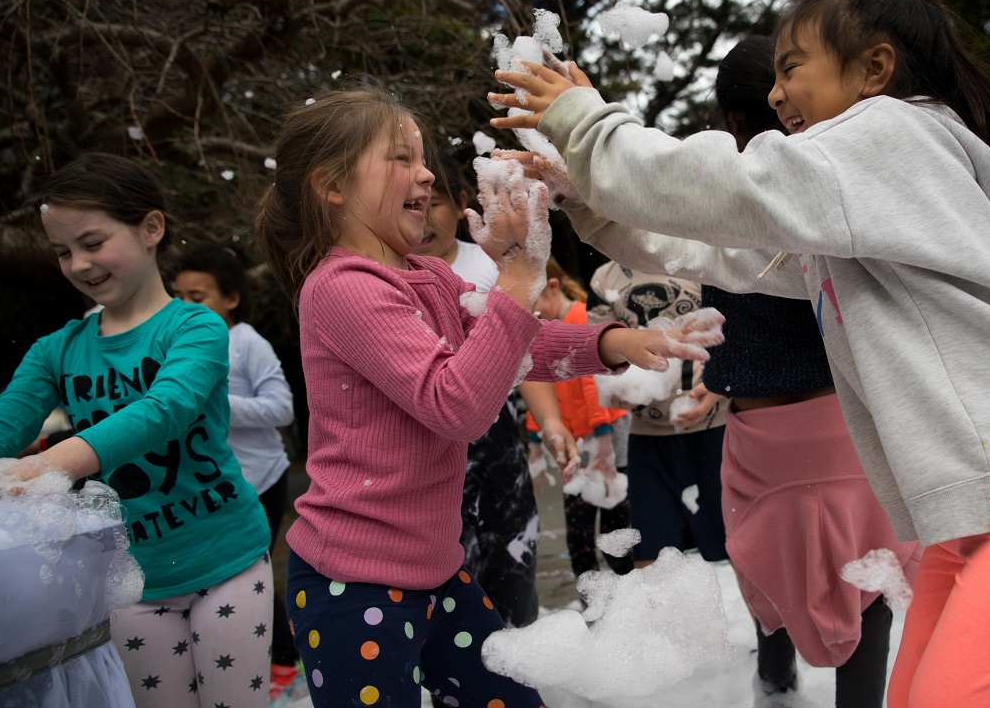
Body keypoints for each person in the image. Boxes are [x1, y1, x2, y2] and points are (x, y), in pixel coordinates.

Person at [489, 0, 990, 706]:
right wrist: (589, 193)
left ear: (874, 69)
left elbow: (731, 188)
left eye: (793, 66)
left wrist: (587, 125)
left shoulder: (899, 134)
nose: (776, 94)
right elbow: (719, 248)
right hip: (980, 499)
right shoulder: (855, 214)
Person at [252, 86, 723, 708]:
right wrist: (520, 278)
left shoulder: (427, 277)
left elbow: (513, 346)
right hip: (352, 584)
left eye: (422, 158)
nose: (425, 174)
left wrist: (619, 342)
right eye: (401, 159)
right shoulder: (341, 288)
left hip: (438, 571)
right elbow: (458, 404)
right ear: (332, 186)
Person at [0, 152, 273, 708]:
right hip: (128, 581)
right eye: (63, 252)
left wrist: (54, 463)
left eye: (92, 242)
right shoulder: (54, 351)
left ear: (151, 228)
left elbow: (168, 407)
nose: (79, 264)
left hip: (226, 562)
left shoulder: (196, 325)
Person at [701, 35, 919, 707]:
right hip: (848, 427)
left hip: (764, 440)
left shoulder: (718, 199)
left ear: (731, 123)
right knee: (872, 579)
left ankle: (775, 694)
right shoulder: (840, 189)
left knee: (770, 589)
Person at [415, 155, 572, 628]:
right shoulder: (390, 275)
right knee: (453, 573)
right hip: (429, 441)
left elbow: (526, 354)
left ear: (463, 203)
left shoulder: (491, 263)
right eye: (410, 204)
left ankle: (520, 653)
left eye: (435, 203)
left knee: (513, 551)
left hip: (496, 435)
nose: (423, 218)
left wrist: (550, 421)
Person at [169, 243, 302, 700]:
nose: (185, 307)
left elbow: (282, 408)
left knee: (247, 571)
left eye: (198, 296)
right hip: (212, 486)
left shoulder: (247, 342)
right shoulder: (172, 345)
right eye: (178, 296)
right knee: (223, 576)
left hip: (260, 478)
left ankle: (285, 661)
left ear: (231, 299)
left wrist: (214, 402)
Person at [586, 262, 729, 571]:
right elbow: (597, 347)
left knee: (741, 554)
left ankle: (770, 623)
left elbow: (737, 329)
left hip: (716, 427)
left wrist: (720, 387)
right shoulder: (604, 276)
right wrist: (617, 389)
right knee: (650, 564)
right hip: (648, 436)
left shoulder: (696, 254)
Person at [525, 257, 633, 581]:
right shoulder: (542, 329)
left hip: (605, 438)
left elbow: (593, 384)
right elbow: (534, 380)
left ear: (553, 287)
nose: (530, 313)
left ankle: (629, 597)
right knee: (580, 535)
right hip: (577, 441)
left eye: (533, 303)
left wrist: (603, 442)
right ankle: (595, 605)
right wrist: (534, 440)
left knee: (616, 527)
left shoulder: (582, 317)